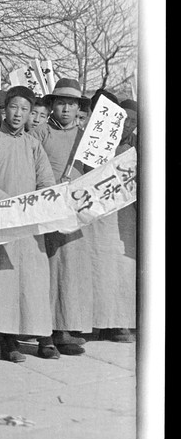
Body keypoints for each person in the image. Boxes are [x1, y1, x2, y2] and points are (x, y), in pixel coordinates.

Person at [0, 86, 55, 363]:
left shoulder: (33, 144)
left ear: (31, 113)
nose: (18, 114)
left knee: (24, 282)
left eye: (25, 109)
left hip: (27, 224)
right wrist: (8, 203)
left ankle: (12, 341)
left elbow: (46, 182)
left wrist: (41, 200)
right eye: (14, 107)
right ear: (3, 109)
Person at [31, 77, 92, 356]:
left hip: (76, 210)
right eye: (61, 103)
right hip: (48, 207)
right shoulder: (40, 132)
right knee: (47, 270)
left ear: (78, 107)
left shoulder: (86, 137)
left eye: (71, 104)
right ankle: (45, 332)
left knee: (70, 271)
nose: (66, 109)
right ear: (52, 105)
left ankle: (65, 327)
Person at [86, 88, 136, 343]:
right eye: (122, 119)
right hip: (97, 215)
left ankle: (121, 323)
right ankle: (97, 322)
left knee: (124, 270)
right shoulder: (92, 143)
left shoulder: (139, 146)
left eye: (132, 121)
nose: (125, 126)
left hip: (126, 217)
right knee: (99, 268)